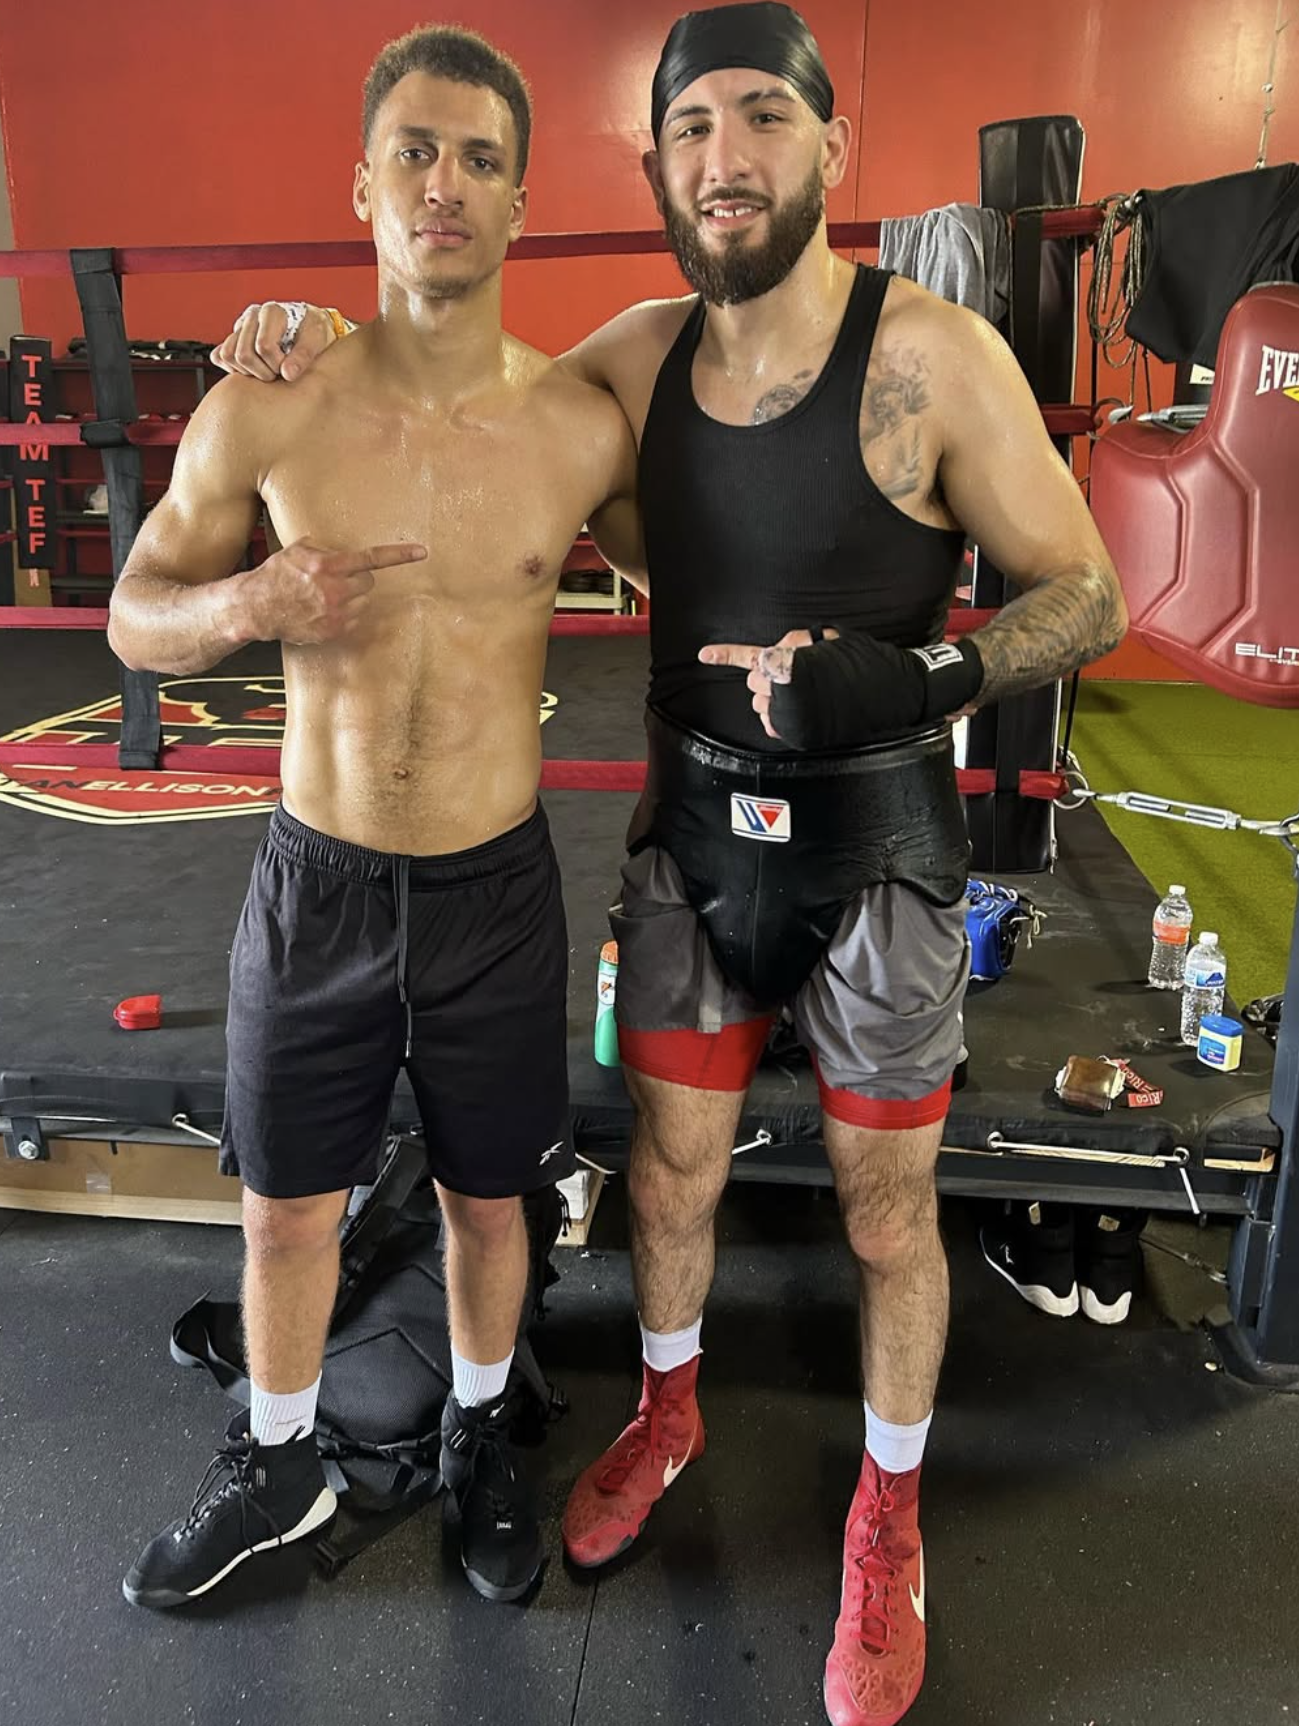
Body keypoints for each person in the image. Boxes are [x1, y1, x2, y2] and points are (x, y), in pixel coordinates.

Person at [215, 5, 1127, 1718]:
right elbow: (449, 396)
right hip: (694, 840)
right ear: (654, 162)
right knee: (669, 1174)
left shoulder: (933, 356)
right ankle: (668, 1401)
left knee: (886, 1208)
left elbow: (1089, 589)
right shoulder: (626, 362)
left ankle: (887, 1519)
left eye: (763, 115)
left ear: (831, 145)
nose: (727, 156)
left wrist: (924, 671)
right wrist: (295, 332)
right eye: (690, 124)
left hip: (879, 849)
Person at [108, 24, 638, 1613]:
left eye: (481, 158)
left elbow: (719, 573)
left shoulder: (573, 428)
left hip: (494, 886)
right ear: (363, 184)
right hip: (317, 880)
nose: (445, 185)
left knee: (492, 1204)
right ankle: (277, 1457)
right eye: (415, 150)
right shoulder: (271, 403)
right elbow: (135, 618)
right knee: (284, 1211)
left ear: (522, 202)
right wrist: (256, 599)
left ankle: (483, 1435)